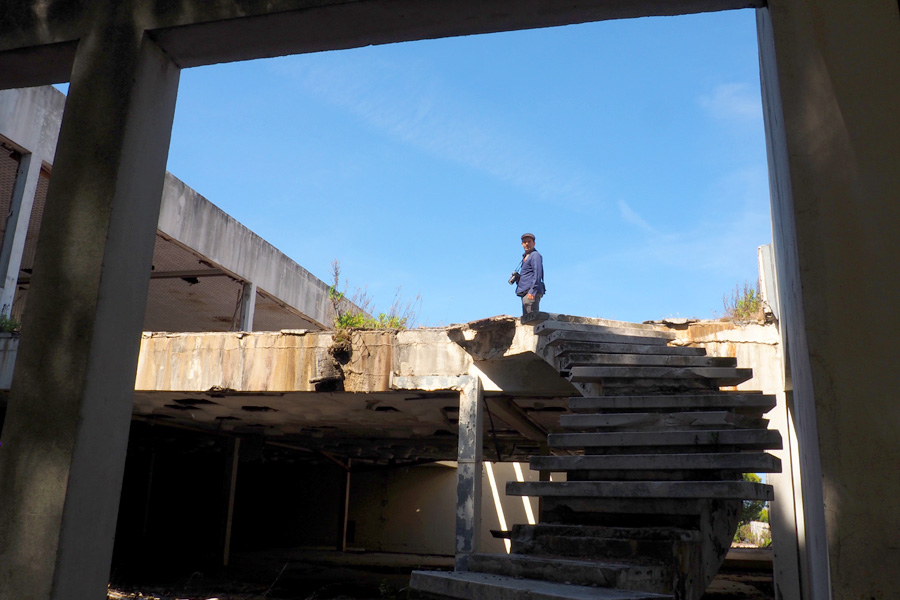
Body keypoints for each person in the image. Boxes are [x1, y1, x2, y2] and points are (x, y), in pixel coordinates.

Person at [515, 232, 545, 316]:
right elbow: (528, 275)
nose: (527, 244)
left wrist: (533, 291)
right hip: (525, 292)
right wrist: (518, 279)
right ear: (522, 244)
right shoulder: (525, 257)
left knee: (531, 320)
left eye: (529, 241)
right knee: (527, 319)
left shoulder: (535, 255)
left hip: (530, 292)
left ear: (534, 243)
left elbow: (538, 274)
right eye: (525, 242)